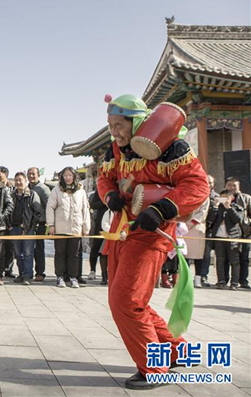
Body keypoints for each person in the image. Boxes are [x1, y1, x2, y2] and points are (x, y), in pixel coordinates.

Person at [97, 94, 208, 389]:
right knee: (131, 301)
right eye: (110, 125)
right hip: (123, 231)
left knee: (126, 301)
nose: (114, 132)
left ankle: (154, 369)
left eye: (119, 125)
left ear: (135, 122)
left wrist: (162, 209)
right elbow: (104, 178)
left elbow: (197, 185)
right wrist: (109, 195)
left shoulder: (172, 147)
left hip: (152, 235)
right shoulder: (115, 150)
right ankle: (177, 351)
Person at [46, 166, 90, 288]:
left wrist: (86, 226)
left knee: (74, 254)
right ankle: (60, 276)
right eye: (65, 175)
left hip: (75, 228)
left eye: (70, 175)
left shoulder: (80, 191)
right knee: (60, 253)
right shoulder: (56, 190)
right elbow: (50, 207)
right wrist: (51, 225)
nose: (67, 178)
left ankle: (73, 276)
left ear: (74, 176)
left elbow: (85, 209)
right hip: (60, 227)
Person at [207, 189, 244, 290]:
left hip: (233, 238)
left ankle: (234, 283)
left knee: (234, 261)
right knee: (220, 260)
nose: (223, 201)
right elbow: (210, 220)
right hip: (219, 238)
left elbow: (237, 219)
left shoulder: (237, 208)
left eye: (225, 198)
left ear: (231, 198)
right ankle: (221, 281)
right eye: (221, 198)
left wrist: (229, 208)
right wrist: (215, 206)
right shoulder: (217, 208)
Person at [10, 172, 43, 285]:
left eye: (21, 180)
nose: (18, 182)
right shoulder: (12, 195)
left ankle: (28, 275)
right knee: (18, 253)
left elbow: (38, 212)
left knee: (28, 253)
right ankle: (21, 273)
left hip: (28, 229)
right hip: (14, 228)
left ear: (25, 181)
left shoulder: (32, 194)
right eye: (17, 180)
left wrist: (32, 227)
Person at [224, 177, 251, 289]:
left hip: (244, 232)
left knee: (243, 258)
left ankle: (243, 281)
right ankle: (223, 280)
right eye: (230, 185)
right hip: (226, 233)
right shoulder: (221, 197)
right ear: (226, 186)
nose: (232, 187)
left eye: (234, 185)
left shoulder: (246, 198)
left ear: (238, 187)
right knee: (225, 258)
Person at [27, 167, 51, 281]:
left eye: (33, 174)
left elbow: (49, 206)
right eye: (29, 174)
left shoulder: (43, 188)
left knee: (38, 249)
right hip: (27, 224)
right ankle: (27, 272)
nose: (31, 176)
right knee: (27, 250)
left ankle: (40, 272)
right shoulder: (26, 188)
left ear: (38, 175)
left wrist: (48, 222)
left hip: (40, 223)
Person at [184, 190, 210, 289]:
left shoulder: (204, 196)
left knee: (198, 255)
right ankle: (186, 278)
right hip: (184, 227)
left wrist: (192, 223)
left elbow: (203, 212)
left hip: (197, 227)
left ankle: (198, 278)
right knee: (185, 254)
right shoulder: (185, 193)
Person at [0, 166, 16, 277]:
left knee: (10, 248)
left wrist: (9, 223)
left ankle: (8, 269)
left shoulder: (12, 188)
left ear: (5, 174)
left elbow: (11, 207)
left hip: (10, 222)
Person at [160, 222, 188, 288]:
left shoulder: (180, 221)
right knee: (164, 262)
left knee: (176, 262)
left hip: (176, 244)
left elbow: (185, 231)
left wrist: (177, 224)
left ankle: (175, 279)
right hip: (164, 242)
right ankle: (164, 279)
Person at [88, 188, 107, 281]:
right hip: (100, 223)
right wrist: (105, 202)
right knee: (95, 247)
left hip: (114, 223)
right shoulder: (100, 191)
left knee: (106, 251)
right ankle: (92, 270)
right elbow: (93, 205)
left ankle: (105, 274)